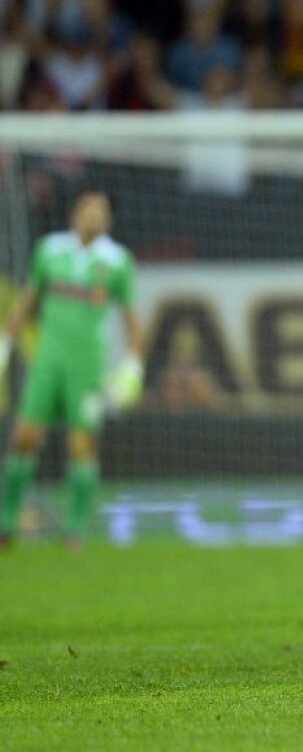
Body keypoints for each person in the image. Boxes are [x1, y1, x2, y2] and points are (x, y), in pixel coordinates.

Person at [0, 189, 144, 548]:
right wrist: (4, 344)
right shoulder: (50, 250)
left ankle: (75, 529)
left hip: (88, 366)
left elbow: (131, 319)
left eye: (101, 211)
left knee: (82, 444)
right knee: (24, 437)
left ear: (108, 220)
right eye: (88, 209)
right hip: (48, 360)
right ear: (74, 214)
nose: (93, 216)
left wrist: (133, 365)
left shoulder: (117, 260)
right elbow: (27, 299)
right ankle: (6, 522)